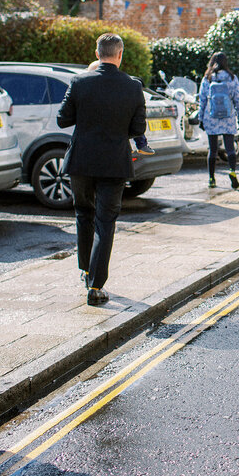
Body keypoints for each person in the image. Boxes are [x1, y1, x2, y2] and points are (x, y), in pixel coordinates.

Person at [57, 33, 146, 306]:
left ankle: (85, 270)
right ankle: (96, 286)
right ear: (120, 55)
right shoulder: (133, 86)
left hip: (81, 162)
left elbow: (63, 119)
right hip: (114, 163)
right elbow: (137, 129)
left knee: (83, 214)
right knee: (105, 223)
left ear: (97, 54)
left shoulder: (80, 81)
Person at [198, 52, 239, 189]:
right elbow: (238, 99)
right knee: (230, 149)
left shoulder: (207, 78)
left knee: (212, 150)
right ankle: (232, 171)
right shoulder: (232, 78)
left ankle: (211, 179)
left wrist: (201, 118)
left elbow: (202, 100)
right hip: (228, 116)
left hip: (210, 116)